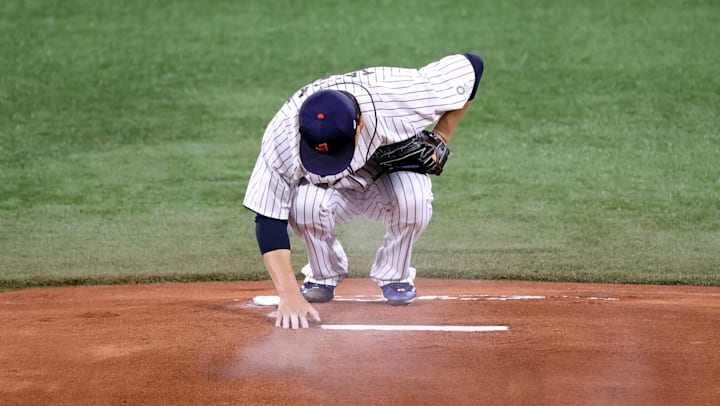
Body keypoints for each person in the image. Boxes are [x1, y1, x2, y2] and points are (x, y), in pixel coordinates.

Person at [243, 53, 484, 329]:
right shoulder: (281, 135)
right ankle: (323, 275)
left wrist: (441, 135)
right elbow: (268, 218)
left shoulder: (400, 98)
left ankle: (396, 275)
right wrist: (287, 294)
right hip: (331, 192)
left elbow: (472, 66)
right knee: (303, 204)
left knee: (414, 195)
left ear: (360, 123)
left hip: (384, 180)